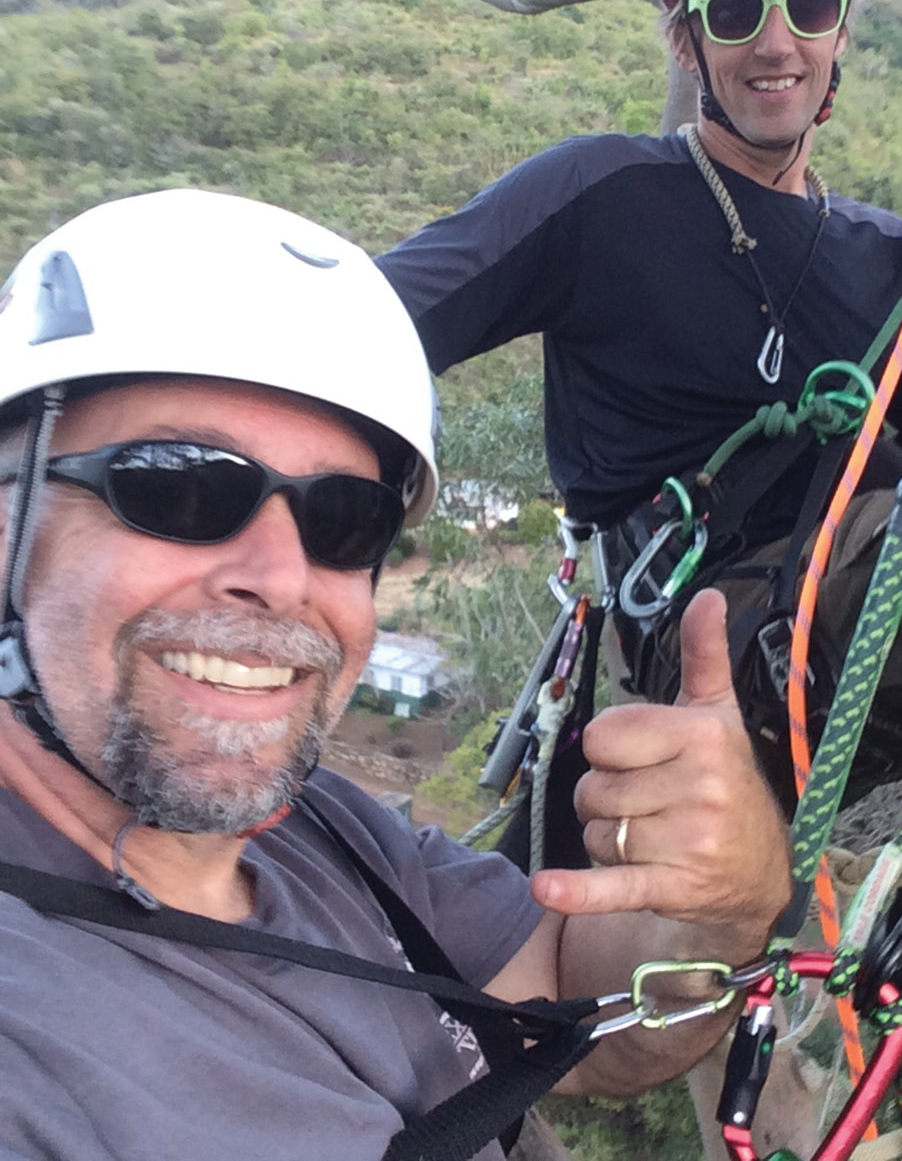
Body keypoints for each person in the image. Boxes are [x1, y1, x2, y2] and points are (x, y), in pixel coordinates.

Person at [378, 0, 902, 1147]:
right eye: (735, 12)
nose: (774, 42)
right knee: (712, 1060)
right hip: (717, 642)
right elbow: (370, 322)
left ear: (840, 32)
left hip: (864, 644)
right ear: (688, 36)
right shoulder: (603, 196)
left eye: (807, 6)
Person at [0, 188, 790, 1161]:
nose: (282, 579)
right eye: (178, 485)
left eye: (344, 520)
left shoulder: (330, 831)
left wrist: (727, 907)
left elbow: (582, 1002)